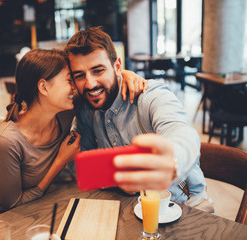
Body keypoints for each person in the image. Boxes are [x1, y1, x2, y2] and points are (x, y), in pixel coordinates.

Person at [0, 48, 147, 230]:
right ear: (44, 87)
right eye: (69, 80)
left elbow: (97, 86)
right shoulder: (6, 140)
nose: (75, 86)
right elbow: (12, 205)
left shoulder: (64, 112)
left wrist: (123, 74)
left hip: (31, 213)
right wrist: (60, 160)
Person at [66, 27, 213, 211]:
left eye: (98, 71)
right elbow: (81, 165)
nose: (90, 84)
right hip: (132, 208)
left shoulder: (149, 95)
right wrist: (115, 177)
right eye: (79, 75)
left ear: (118, 67)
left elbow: (182, 131)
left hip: (184, 204)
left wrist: (172, 161)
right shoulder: (85, 108)